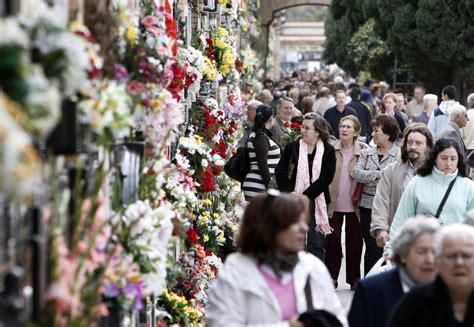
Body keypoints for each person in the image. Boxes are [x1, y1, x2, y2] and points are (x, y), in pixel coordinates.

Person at [207, 191, 348, 326]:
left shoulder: (312, 267)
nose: (304, 228)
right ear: (269, 227)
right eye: (295, 223)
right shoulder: (235, 271)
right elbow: (221, 323)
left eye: (304, 221)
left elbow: (338, 318)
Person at [384, 138, 474, 256]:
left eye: (453, 159)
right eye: (444, 158)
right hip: (422, 253)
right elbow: (401, 219)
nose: (448, 163)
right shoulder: (417, 182)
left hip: (455, 255)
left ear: (459, 160)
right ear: (435, 158)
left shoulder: (468, 186)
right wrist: (390, 250)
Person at [349, 217, 440, 327]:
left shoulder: (451, 289)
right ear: (403, 255)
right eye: (421, 252)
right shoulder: (370, 290)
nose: (430, 260)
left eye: (435, 252)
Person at [275, 113, 336, 261]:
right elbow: (280, 170)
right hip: (293, 200)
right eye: (302, 126)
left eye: (307, 128)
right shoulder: (293, 146)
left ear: (317, 131)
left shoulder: (328, 150)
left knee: (316, 243)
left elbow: (326, 177)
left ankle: (314, 280)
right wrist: (290, 192)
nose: (302, 130)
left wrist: (306, 195)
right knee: (295, 241)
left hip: (316, 200)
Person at [387, 224, 474, 327]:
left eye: (466, 256)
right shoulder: (415, 301)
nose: (459, 263)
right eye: (451, 256)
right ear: (438, 261)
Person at [371, 124, 434, 249]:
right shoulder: (391, 171)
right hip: (399, 237)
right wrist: (381, 229)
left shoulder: (436, 173)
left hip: (430, 239)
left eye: (418, 143)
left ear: (428, 146)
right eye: (410, 142)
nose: (413, 147)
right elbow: (381, 201)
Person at [352, 115, 400, 275]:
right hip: (367, 206)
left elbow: (397, 179)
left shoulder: (399, 155)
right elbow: (356, 173)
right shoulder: (366, 153)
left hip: (389, 207)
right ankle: (370, 283)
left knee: (388, 245)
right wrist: (377, 175)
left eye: (376, 130)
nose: (372, 134)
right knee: (371, 247)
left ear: (387, 133)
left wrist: (371, 177)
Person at [325, 115, 368, 290]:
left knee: (355, 244)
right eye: (342, 126)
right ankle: (331, 277)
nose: (344, 129)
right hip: (333, 203)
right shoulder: (330, 149)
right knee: (333, 241)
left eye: (349, 127)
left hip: (355, 205)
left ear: (356, 132)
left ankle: (354, 279)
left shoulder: (364, 151)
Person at [242, 105, 281, 200]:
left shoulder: (258, 135)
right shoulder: (260, 137)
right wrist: (270, 187)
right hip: (259, 185)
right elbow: (262, 164)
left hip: (257, 184)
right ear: (271, 117)